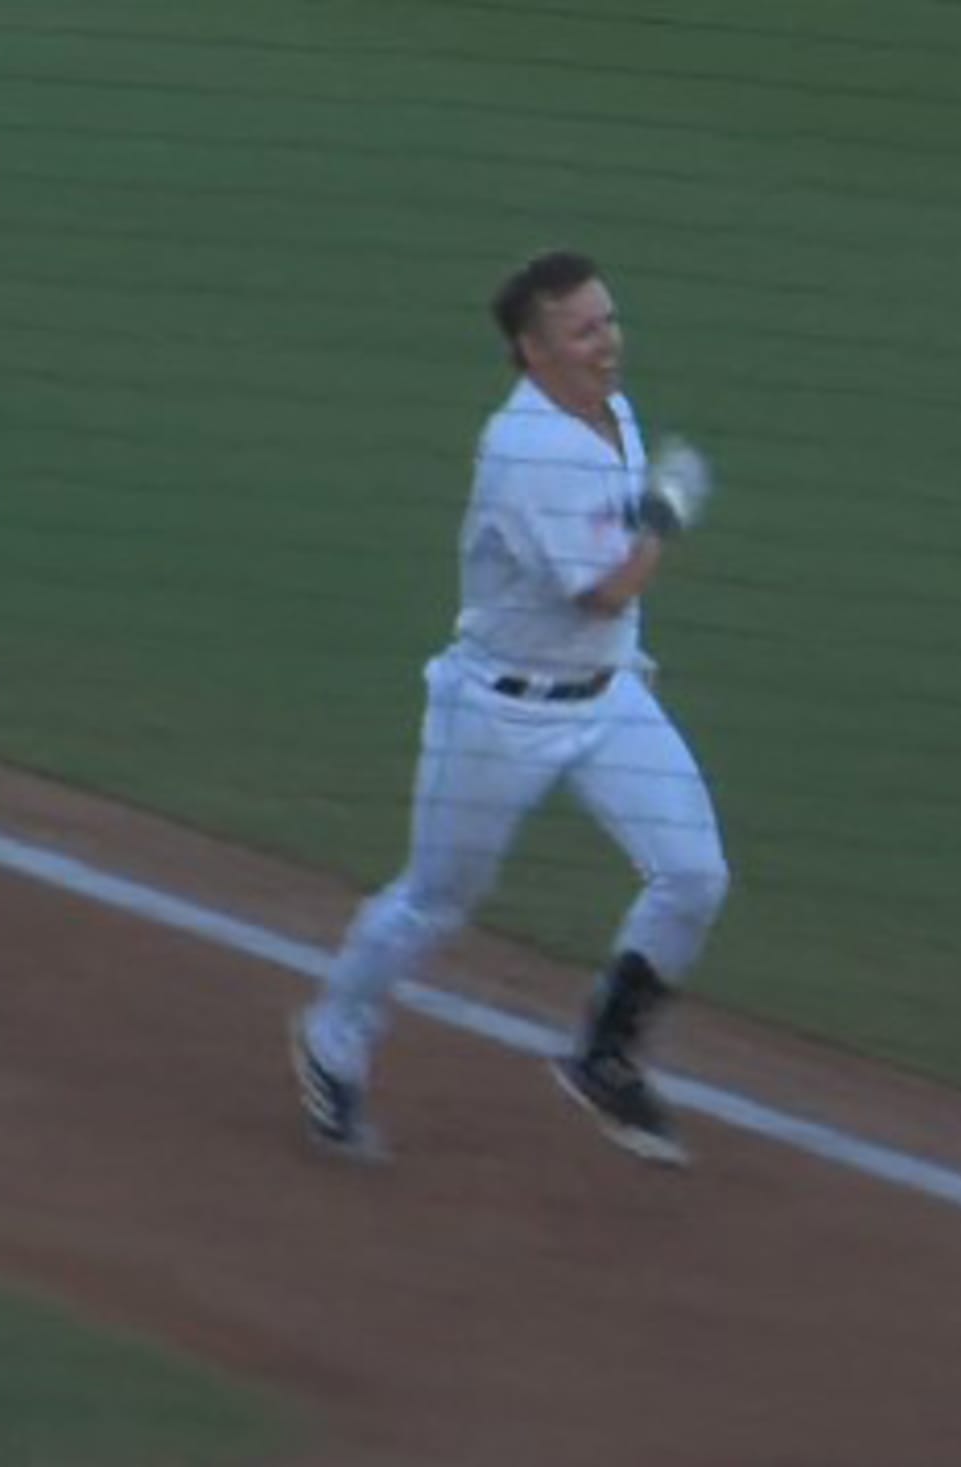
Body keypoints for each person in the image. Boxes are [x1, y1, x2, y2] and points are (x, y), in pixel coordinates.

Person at [292, 249, 729, 1168]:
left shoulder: (612, 410)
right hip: (499, 714)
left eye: (610, 320)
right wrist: (669, 514)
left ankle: (604, 1055)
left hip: (611, 699)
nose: (607, 342)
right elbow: (604, 590)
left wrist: (652, 510)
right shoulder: (525, 445)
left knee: (694, 875)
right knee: (435, 900)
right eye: (584, 330)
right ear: (534, 350)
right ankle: (334, 1037)